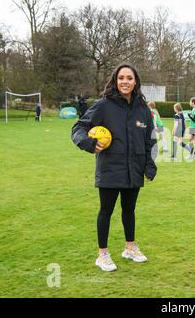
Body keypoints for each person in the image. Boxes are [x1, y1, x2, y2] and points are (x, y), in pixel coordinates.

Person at [71, 63, 157, 272]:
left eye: (129, 78)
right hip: (111, 167)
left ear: (135, 81)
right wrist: (89, 144)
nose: (125, 82)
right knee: (106, 211)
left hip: (134, 169)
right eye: (121, 78)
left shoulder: (143, 109)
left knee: (129, 210)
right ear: (115, 81)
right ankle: (103, 255)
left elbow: (150, 140)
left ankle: (130, 248)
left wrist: (150, 165)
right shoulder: (103, 105)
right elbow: (78, 128)